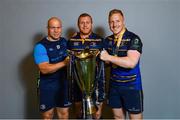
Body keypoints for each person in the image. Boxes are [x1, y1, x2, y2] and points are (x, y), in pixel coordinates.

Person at [100, 9, 143, 119]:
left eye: (117, 21)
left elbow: (131, 63)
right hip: (114, 85)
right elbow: (101, 59)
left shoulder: (133, 38)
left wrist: (109, 57)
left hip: (132, 86)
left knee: (135, 118)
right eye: (111, 22)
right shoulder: (107, 40)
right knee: (117, 117)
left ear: (123, 21)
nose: (115, 25)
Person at [68, 13, 105, 119]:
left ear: (91, 24)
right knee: (79, 114)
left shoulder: (100, 40)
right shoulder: (71, 41)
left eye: (87, 22)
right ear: (78, 24)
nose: (85, 25)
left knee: (96, 115)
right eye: (82, 23)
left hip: (97, 84)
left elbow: (107, 61)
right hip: (77, 84)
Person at [33, 17, 71, 119]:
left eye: (58, 27)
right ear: (47, 28)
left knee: (64, 115)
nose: (56, 30)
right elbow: (44, 69)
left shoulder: (64, 42)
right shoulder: (40, 46)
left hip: (63, 85)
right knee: (47, 116)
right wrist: (64, 63)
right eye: (53, 27)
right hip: (47, 87)